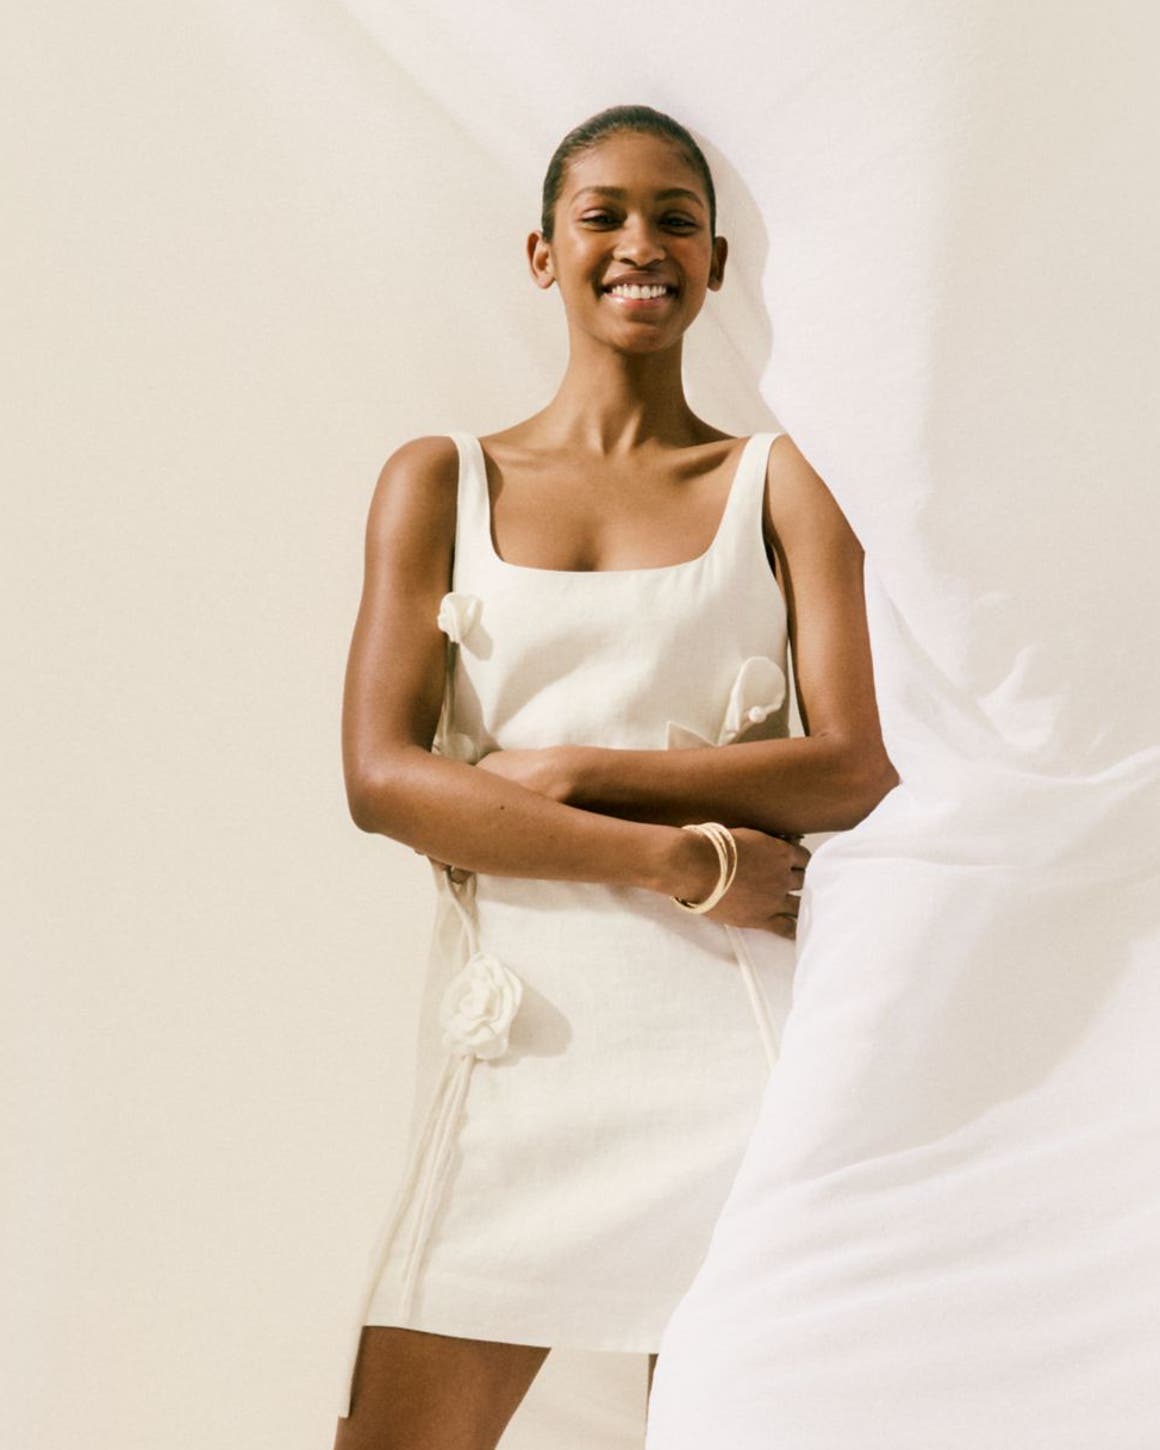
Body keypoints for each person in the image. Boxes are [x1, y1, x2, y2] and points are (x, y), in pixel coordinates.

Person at [332, 102, 897, 1450]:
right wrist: (683, 856)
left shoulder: (782, 484)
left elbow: (852, 767)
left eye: (676, 220)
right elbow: (382, 779)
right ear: (544, 254)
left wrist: (580, 767)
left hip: (735, 1052)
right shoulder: (440, 480)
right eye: (604, 215)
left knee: (722, 1428)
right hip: (520, 1045)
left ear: (714, 264)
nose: (641, 242)